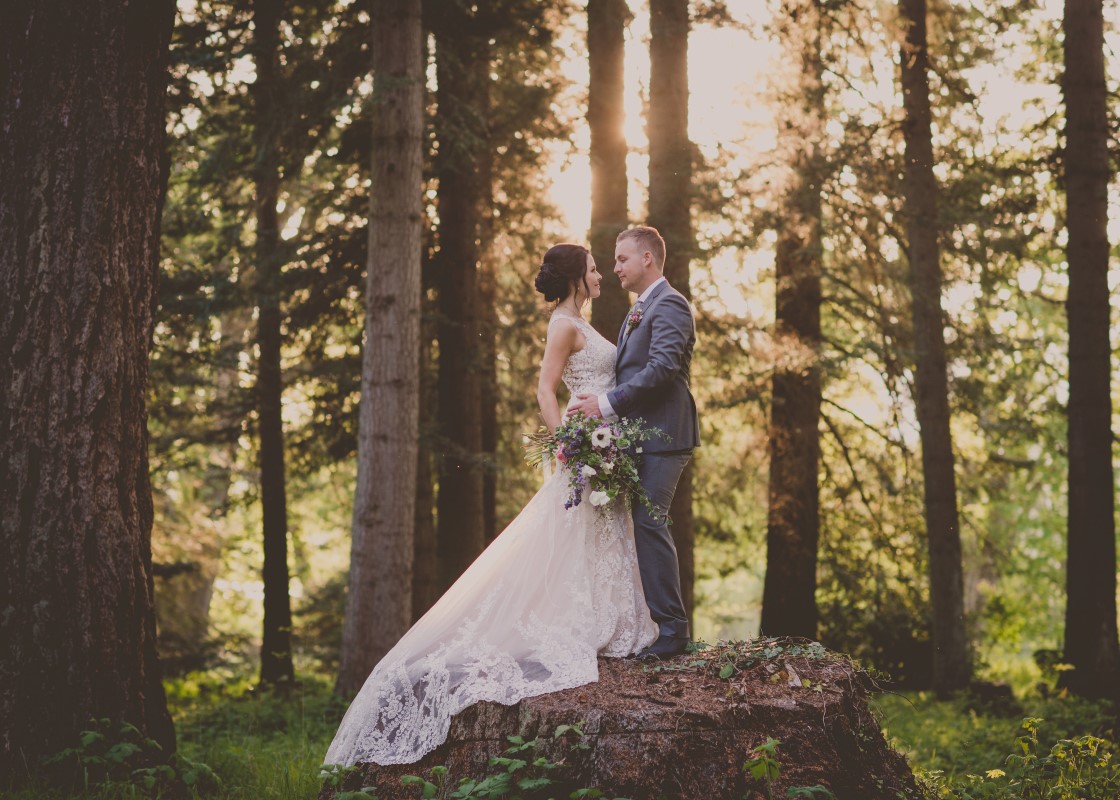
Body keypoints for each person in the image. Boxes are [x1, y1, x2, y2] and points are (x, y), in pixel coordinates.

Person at [323, 243, 657, 767]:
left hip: (605, 438)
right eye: (594, 269)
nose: (600, 276)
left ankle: (614, 619)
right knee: (578, 530)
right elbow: (546, 389)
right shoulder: (563, 325)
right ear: (576, 278)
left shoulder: (581, 321)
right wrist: (568, 445)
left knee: (601, 530)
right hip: (585, 445)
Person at [568, 225, 700, 659]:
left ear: (647, 258)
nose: (615, 268)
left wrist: (604, 405)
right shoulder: (639, 309)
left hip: (665, 434)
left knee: (649, 521)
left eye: (622, 259)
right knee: (639, 523)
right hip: (639, 437)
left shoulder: (671, 304)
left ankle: (673, 631)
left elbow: (662, 368)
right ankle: (650, 625)